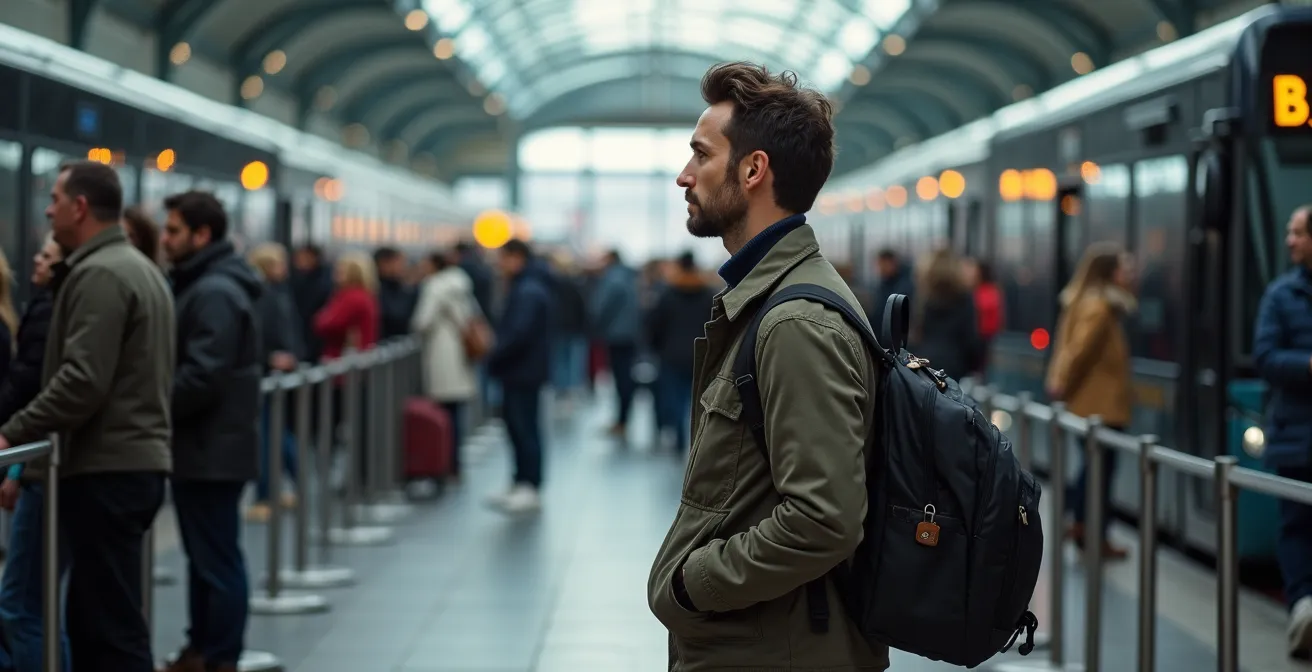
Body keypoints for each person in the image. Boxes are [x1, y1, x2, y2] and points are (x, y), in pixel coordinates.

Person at [646, 62, 886, 670]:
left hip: (772, 652)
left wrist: (689, 583)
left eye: (700, 155)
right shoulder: (771, 302)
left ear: (753, 170)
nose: (684, 176)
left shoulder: (795, 321)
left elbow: (825, 520)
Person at [0, 160, 174, 671]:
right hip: (130, 465)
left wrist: (12, 431)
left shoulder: (99, 274)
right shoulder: (136, 267)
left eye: (55, 199)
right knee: (103, 619)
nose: (48, 209)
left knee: (107, 630)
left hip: (108, 469)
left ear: (80, 207)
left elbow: (82, 379)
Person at [159, 191, 262, 672]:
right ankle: (202, 648)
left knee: (217, 561)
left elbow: (203, 375)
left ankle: (219, 656)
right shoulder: (210, 285)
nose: (164, 239)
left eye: (174, 231)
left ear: (202, 236)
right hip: (210, 446)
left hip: (209, 448)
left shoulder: (214, 292)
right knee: (208, 560)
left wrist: (151, 406)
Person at [0, 235, 70, 672]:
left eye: (47, 255)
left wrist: (17, 465)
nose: (37, 260)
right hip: (42, 463)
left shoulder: (48, 313)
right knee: (39, 602)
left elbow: (34, 395)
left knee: (23, 603)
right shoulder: (38, 312)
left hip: (44, 467)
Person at [1045, 242, 1137, 561]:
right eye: (1125, 268)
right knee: (1100, 471)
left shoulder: (1082, 301)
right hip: (1100, 405)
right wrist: (1062, 385)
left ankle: (1085, 527)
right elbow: (1079, 352)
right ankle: (1090, 530)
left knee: (1093, 468)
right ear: (1110, 273)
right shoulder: (1100, 307)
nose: (1130, 275)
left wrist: (1061, 385)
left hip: (1089, 402)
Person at [1253, 204, 1312, 657]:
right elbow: (1266, 358)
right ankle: (1303, 611)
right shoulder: (1280, 295)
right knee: (1295, 526)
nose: (1289, 241)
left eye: (1297, 233)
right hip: (1295, 434)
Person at [485, 239, 552, 514]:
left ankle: (530, 485)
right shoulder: (529, 287)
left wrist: (494, 352)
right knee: (517, 426)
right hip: (522, 370)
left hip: (522, 370)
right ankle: (520, 481)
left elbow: (518, 333)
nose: (500, 265)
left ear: (516, 257)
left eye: (503, 258)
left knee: (525, 428)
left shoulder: (528, 290)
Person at [245, 243, 304, 522]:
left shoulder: (263, 295)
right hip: (277, 371)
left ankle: (266, 493)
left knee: (269, 435)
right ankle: (292, 482)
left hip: (267, 373)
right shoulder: (279, 294)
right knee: (277, 433)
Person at [410, 250, 479, 480]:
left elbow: (422, 321)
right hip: (459, 353)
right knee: (456, 413)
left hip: (441, 353)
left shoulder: (435, 287)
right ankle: (455, 463)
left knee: (442, 414)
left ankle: (442, 462)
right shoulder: (461, 284)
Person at [646, 251, 716, 453]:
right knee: (698, 399)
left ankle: (678, 436)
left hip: (672, 354)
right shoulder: (708, 293)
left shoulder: (668, 294)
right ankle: (697, 438)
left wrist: (655, 347)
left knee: (674, 398)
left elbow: (654, 325)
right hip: (701, 355)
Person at [908, 248, 982, 380]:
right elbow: (971, 338)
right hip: (955, 365)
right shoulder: (964, 297)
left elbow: (916, 331)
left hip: (924, 362)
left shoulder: (923, 297)